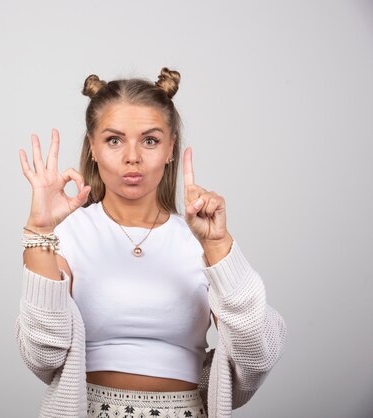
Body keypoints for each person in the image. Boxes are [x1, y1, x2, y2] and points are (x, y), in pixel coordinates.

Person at [15, 68, 287, 418]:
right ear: (93, 148)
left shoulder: (201, 240)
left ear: (171, 148)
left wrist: (218, 245)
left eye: (150, 140)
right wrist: (39, 232)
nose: (133, 157)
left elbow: (258, 355)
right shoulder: (65, 235)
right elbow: (42, 356)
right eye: (114, 140)